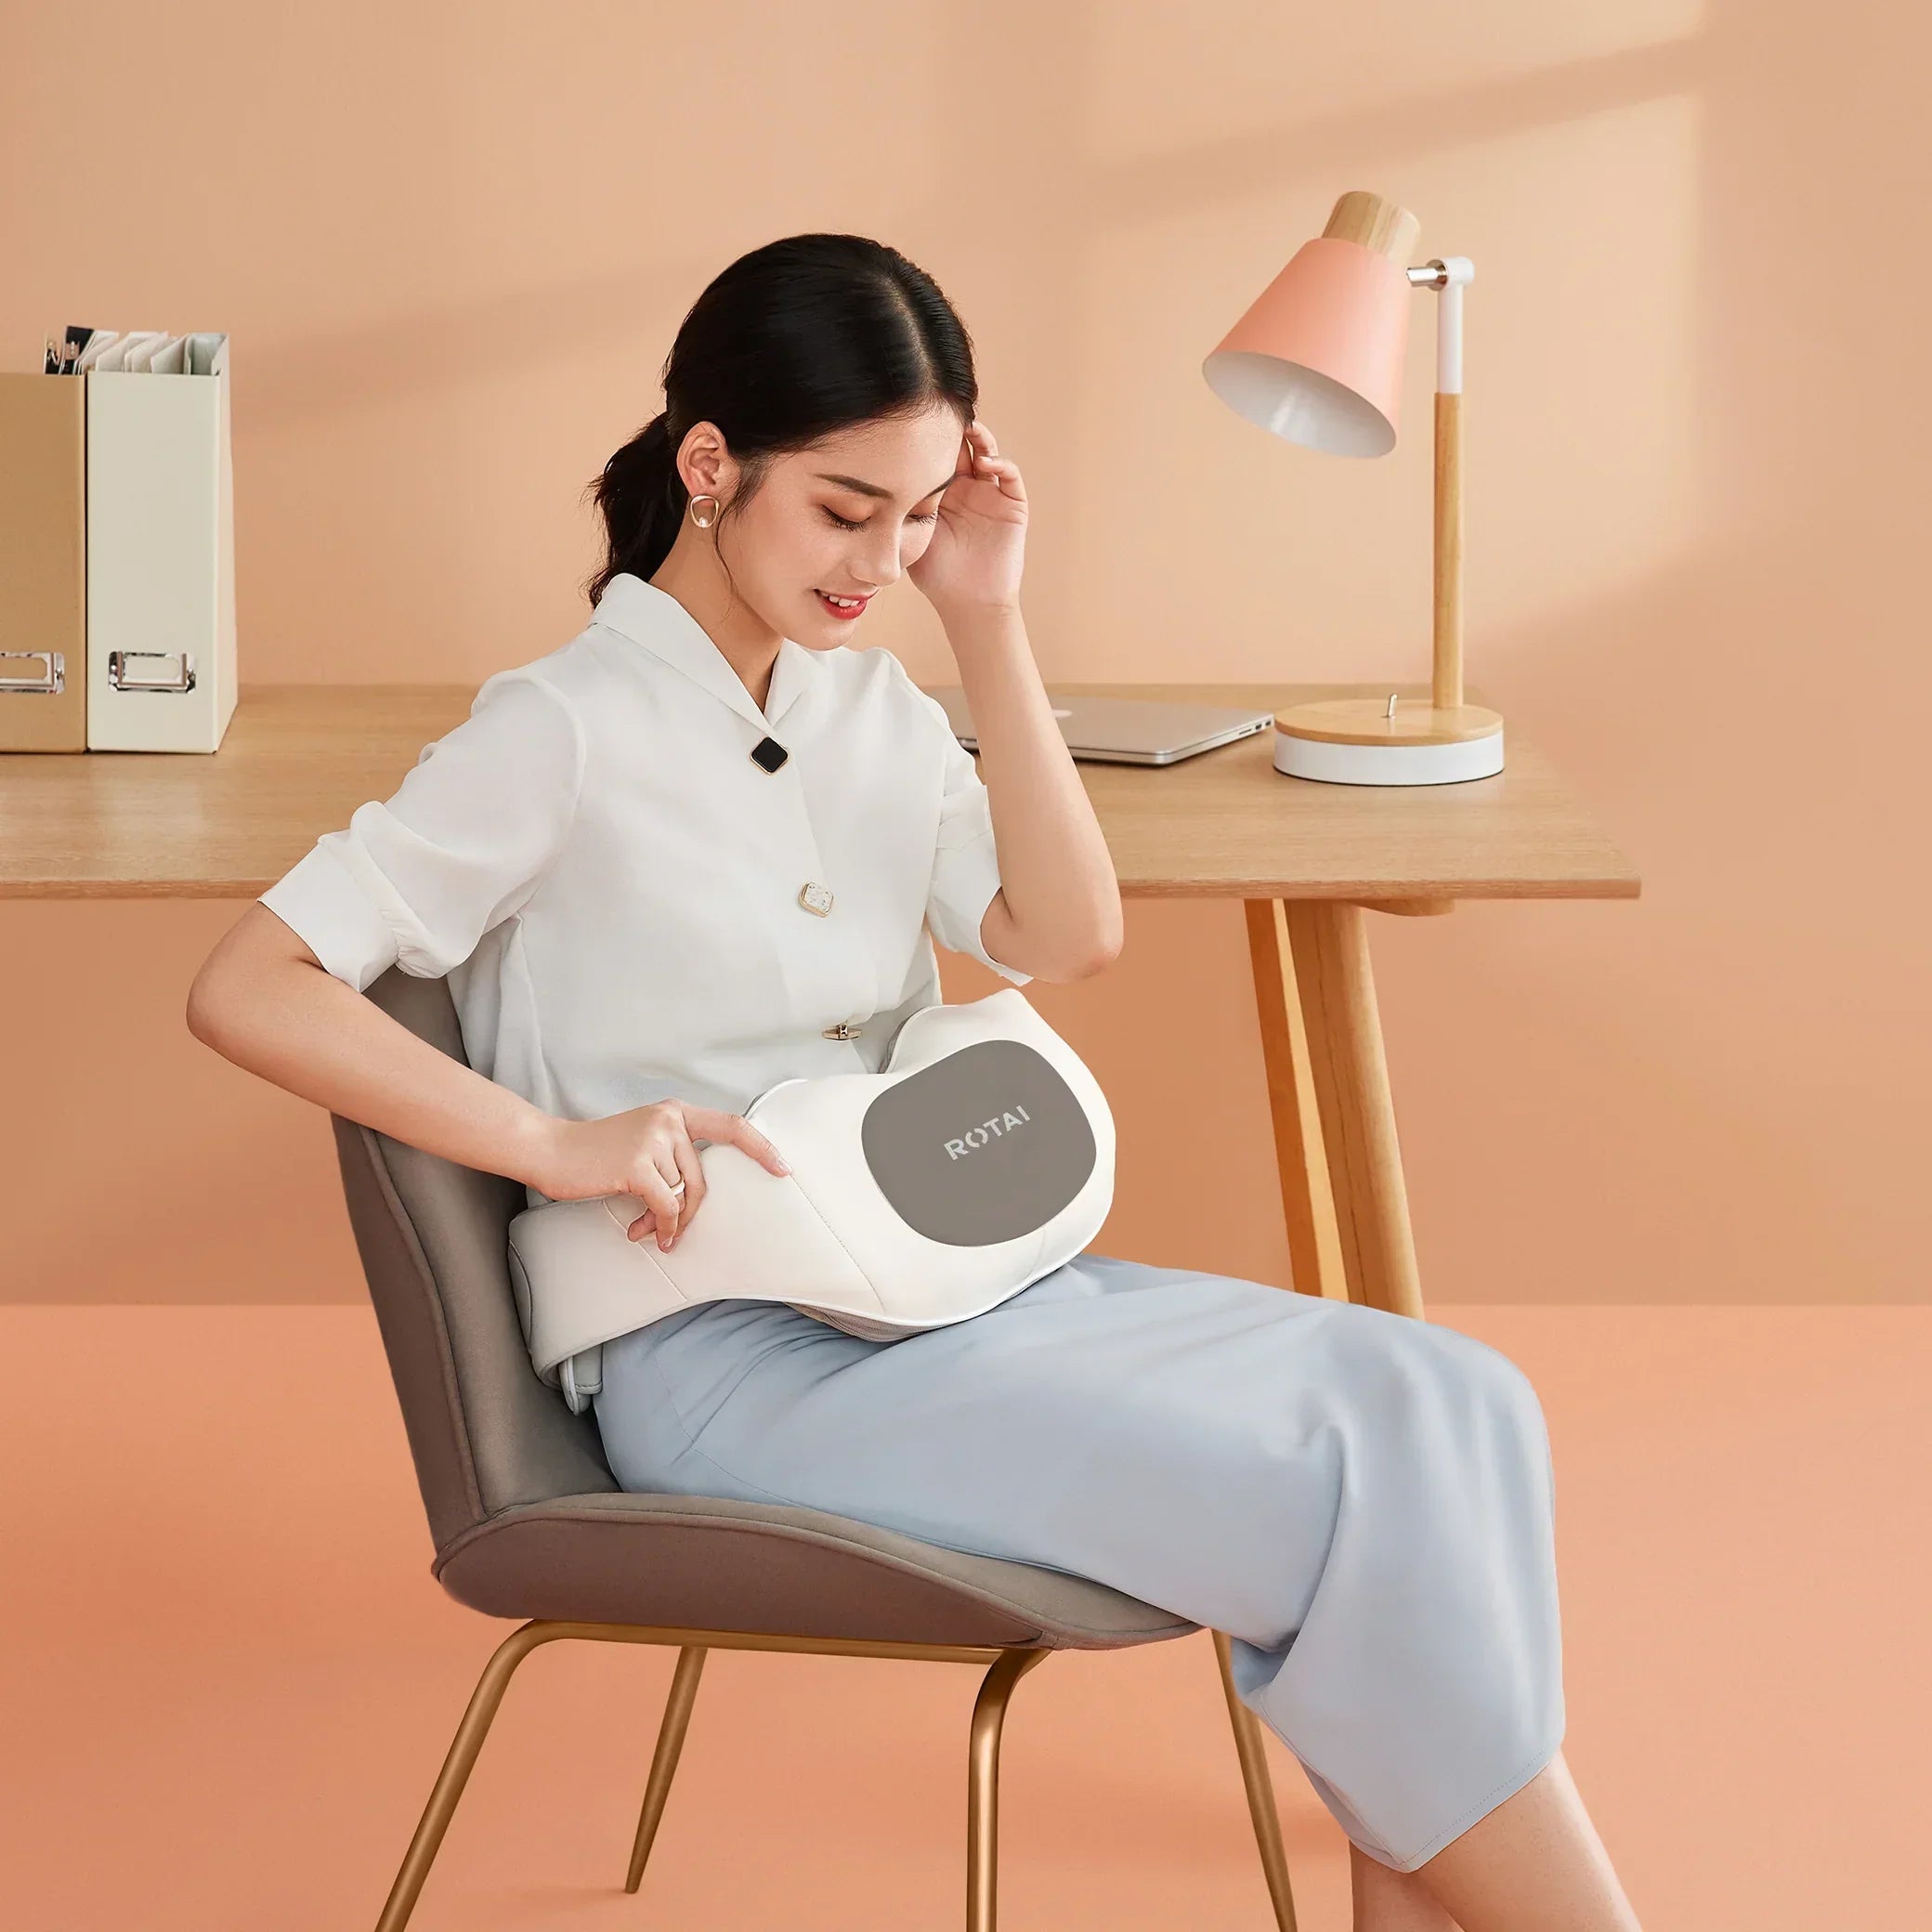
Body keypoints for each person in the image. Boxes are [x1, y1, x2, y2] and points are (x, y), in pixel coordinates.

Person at [187, 232, 1642, 1931]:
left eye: (919, 514)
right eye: (844, 509)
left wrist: (989, 618)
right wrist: (550, 1142)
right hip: (725, 1355)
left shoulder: (873, 706)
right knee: (1336, 1506)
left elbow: (1067, 931)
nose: (881, 559)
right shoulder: (556, 731)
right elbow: (249, 985)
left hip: (952, 1283)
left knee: (1459, 1402)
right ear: (710, 466)